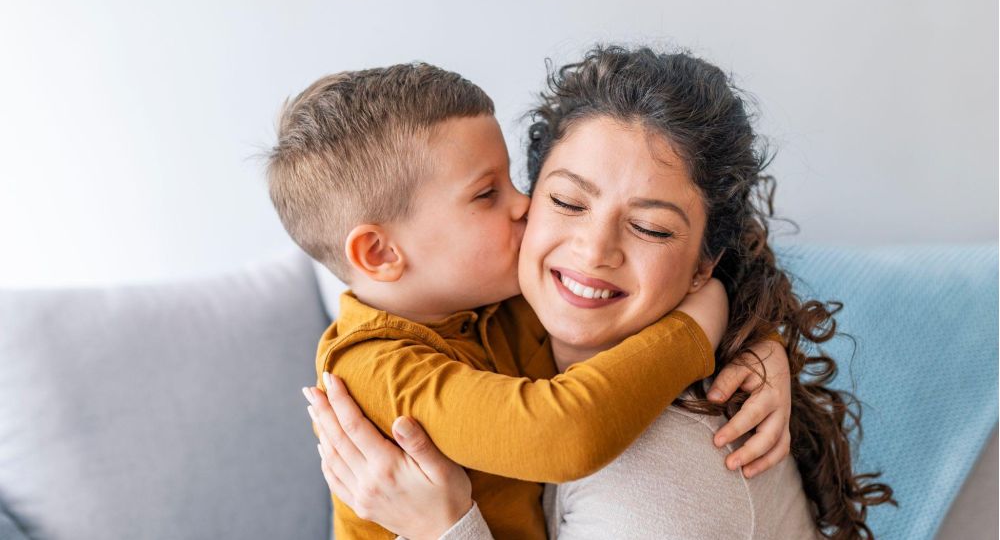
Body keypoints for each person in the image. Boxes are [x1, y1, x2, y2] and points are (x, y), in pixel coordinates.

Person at [308, 46, 896, 539]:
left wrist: (444, 525)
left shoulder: (664, 483)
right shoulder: (443, 323)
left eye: (651, 227)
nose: (593, 251)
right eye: (564, 201)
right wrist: (718, 317)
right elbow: (562, 427)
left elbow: (567, 430)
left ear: (704, 265)